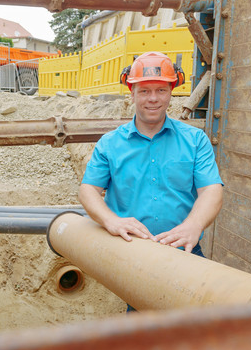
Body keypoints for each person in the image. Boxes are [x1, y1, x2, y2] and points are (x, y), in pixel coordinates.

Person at [79, 51, 224, 267]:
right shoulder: (110, 144)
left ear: (171, 92)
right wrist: (111, 220)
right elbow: (88, 190)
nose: (153, 98)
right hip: (130, 250)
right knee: (139, 302)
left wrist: (194, 225)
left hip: (183, 248)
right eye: (145, 91)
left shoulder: (195, 141)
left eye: (161, 90)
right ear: (132, 93)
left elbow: (212, 190)